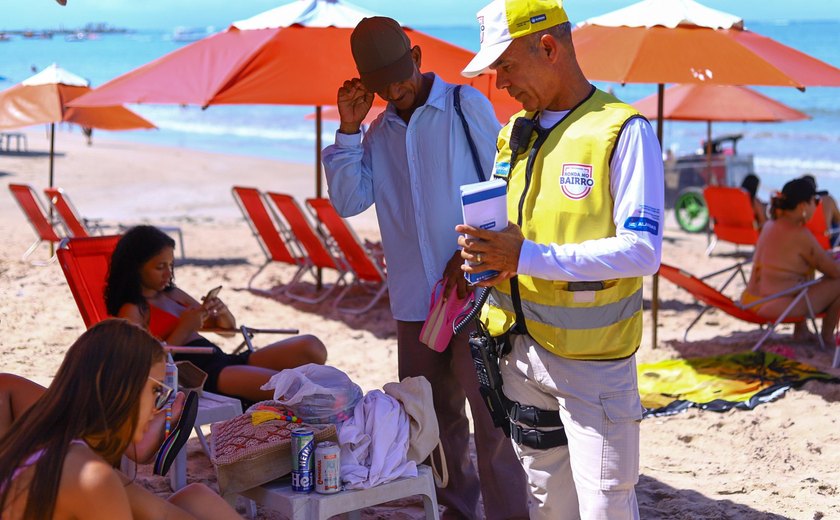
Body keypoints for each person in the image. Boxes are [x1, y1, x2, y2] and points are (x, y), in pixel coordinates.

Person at [457, 1, 664, 518]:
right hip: (519, 355)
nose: (500, 83)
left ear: (547, 47)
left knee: (605, 507)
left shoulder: (623, 131)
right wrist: (486, 252)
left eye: (505, 66)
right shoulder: (513, 133)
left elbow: (643, 251)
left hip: (592, 366)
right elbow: (513, 230)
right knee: (550, 504)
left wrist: (525, 256)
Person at [322, 16, 529, 520]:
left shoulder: (464, 104)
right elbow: (349, 201)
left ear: (416, 58)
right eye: (381, 85)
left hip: (476, 295)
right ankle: (455, 511)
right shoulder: (376, 132)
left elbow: (504, 183)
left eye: (400, 75)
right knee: (432, 422)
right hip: (415, 304)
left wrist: (473, 253)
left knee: (492, 422)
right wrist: (348, 129)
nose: (395, 90)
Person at [0, 319, 241, 520]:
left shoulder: (55, 447)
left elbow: (163, 513)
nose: (158, 407)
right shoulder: (91, 476)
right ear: (122, 388)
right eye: (156, 391)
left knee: (196, 498)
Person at [105, 225, 328, 403]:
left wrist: (222, 313)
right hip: (199, 376)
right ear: (135, 267)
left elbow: (228, 332)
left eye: (171, 265)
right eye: (160, 267)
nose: (168, 273)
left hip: (222, 360)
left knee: (311, 346)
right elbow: (147, 367)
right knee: (290, 387)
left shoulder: (173, 293)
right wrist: (184, 327)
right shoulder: (133, 310)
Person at [741, 178, 840, 346]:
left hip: (751, 300)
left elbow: (794, 260)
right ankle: (827, 337)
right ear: (802, 206)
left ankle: (801, 331)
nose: (817, 206)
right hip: (774, 306)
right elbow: (834, 272)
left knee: (798, 273)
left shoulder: (770, 224)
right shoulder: (800, 234)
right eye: (815, 201)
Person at [802, 174, 840, 244]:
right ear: (815, 187)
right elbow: (838, 219)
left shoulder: (796, 205)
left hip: (802, 245)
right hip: (822, 245)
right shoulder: (827, 200)